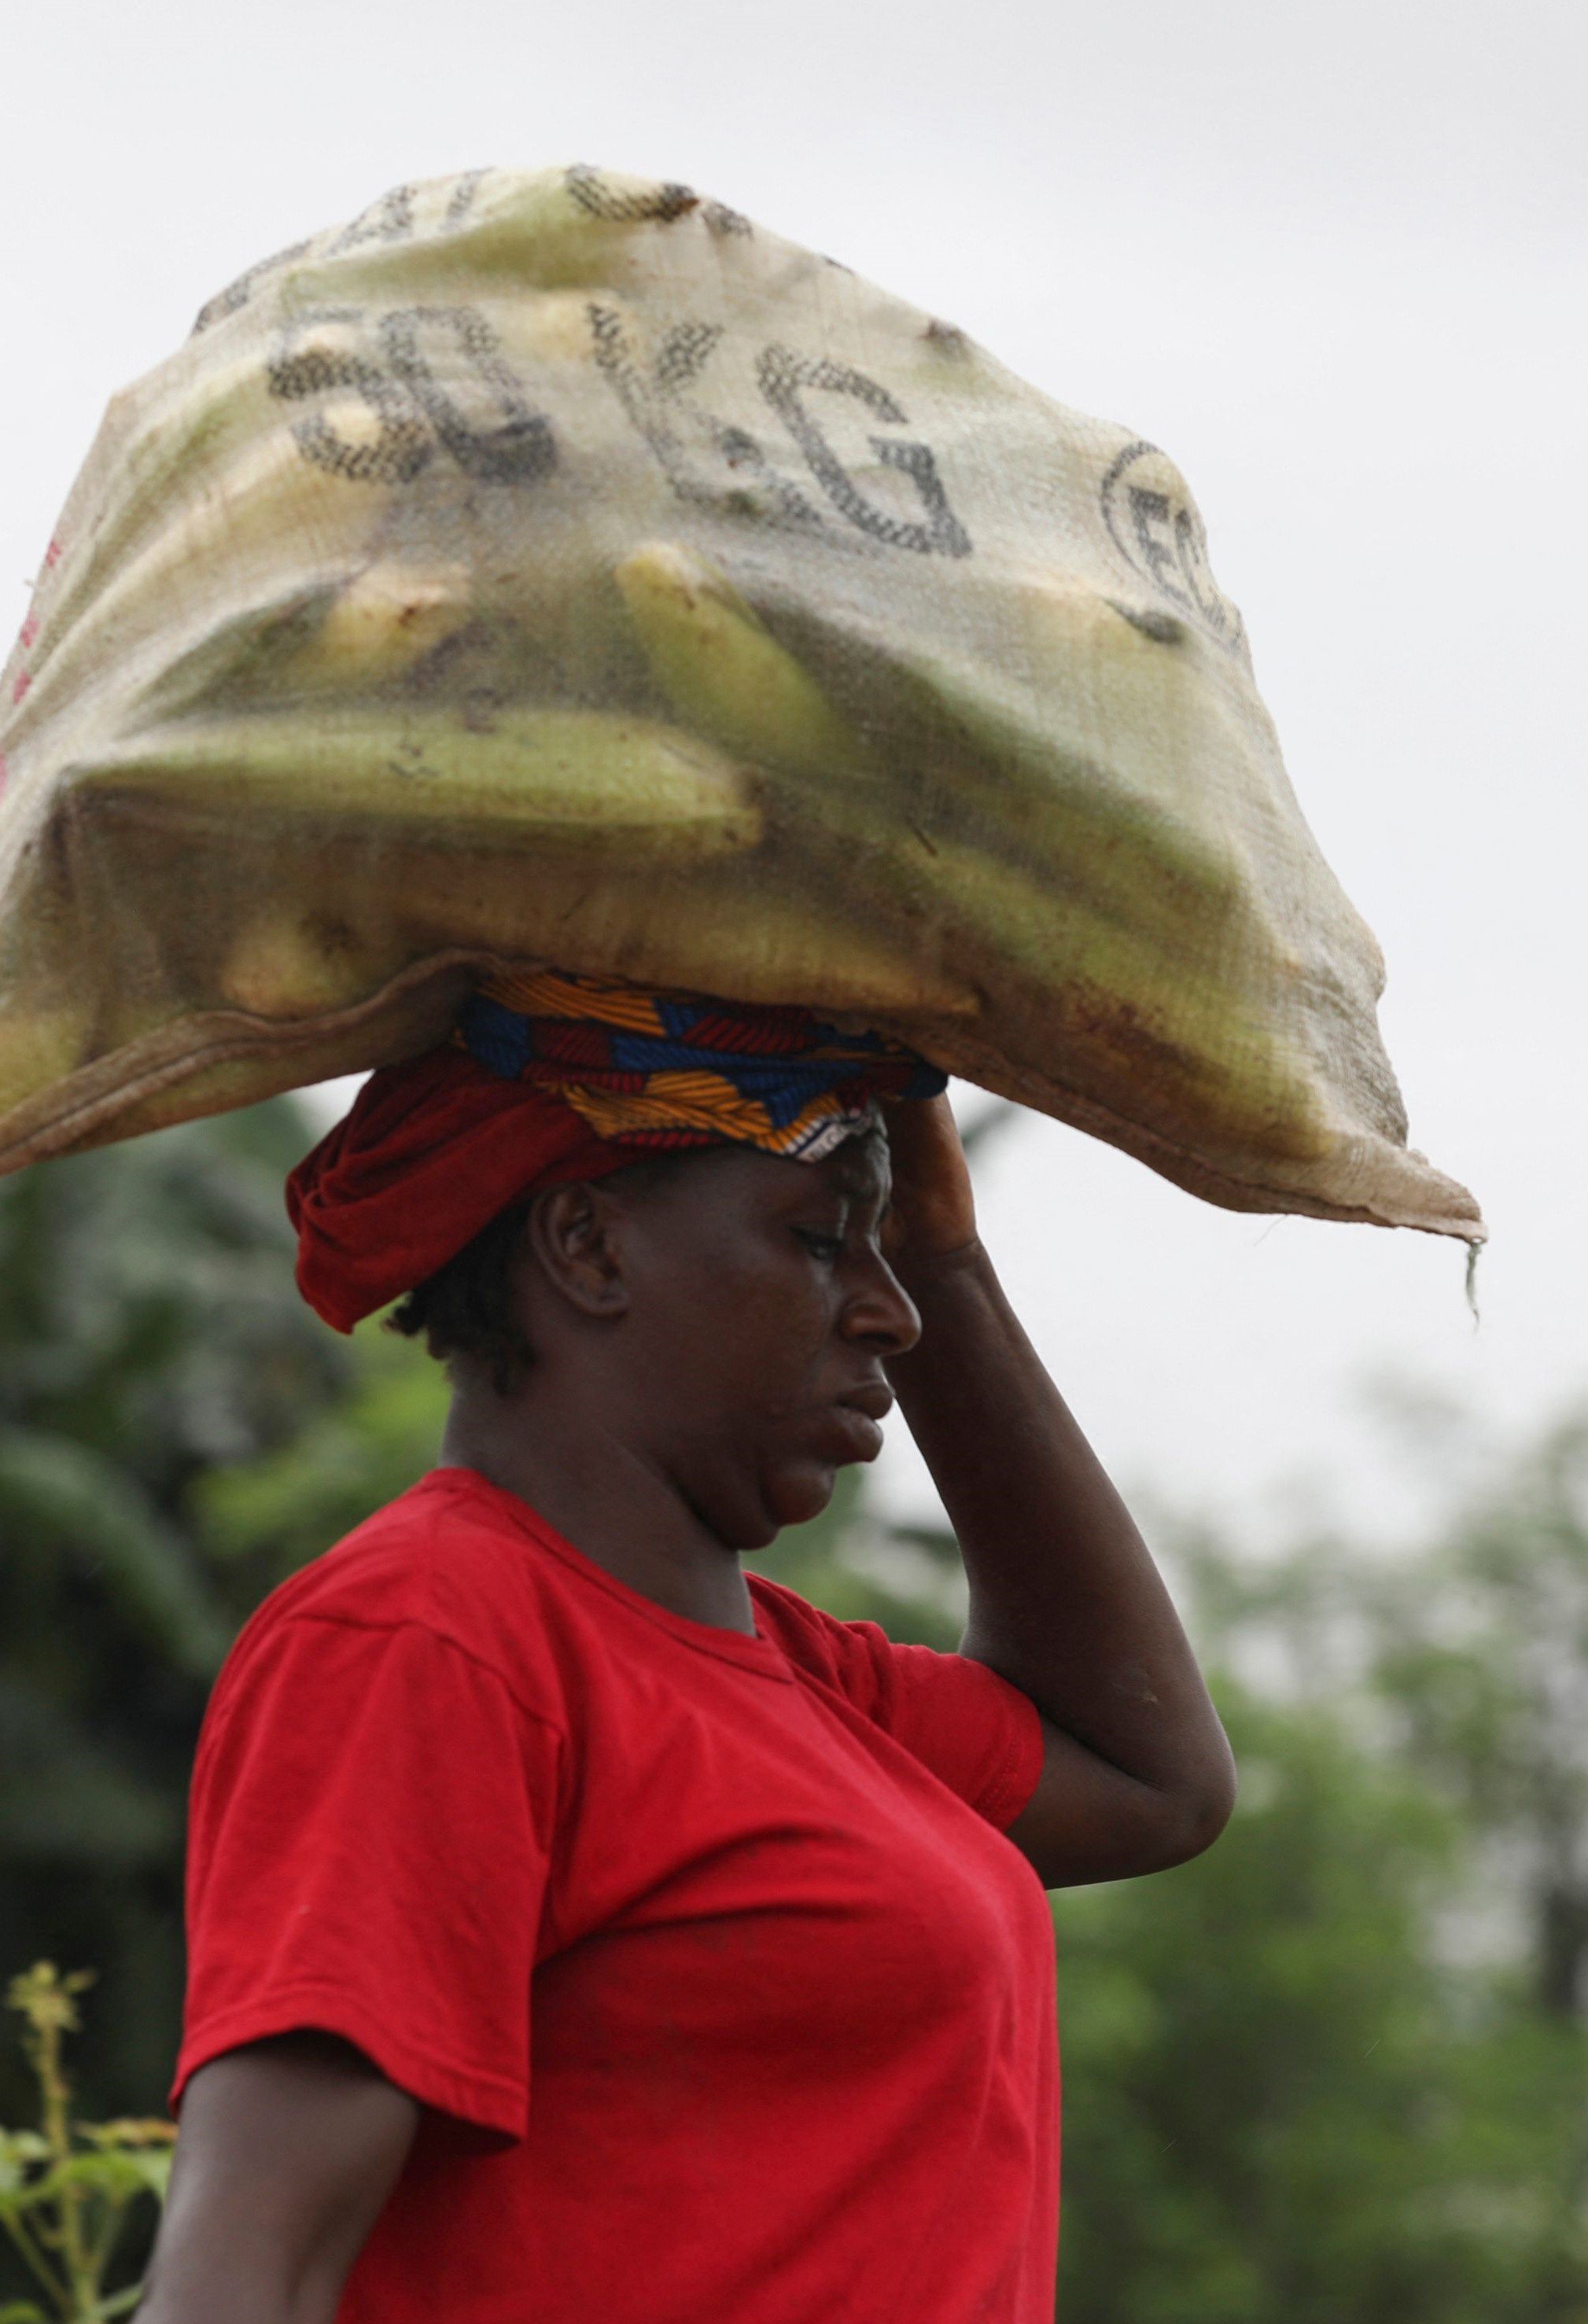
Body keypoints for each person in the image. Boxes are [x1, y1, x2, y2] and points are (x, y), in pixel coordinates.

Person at [135, 972, 1236, 2324]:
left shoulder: (812, 1685)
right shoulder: (432, 1634)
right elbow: (250, 2269)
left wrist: (948, 1256)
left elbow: (1153, 1779)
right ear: (588, 1246)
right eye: (821, 1238)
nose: (890, 1312)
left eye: (888, 1252)